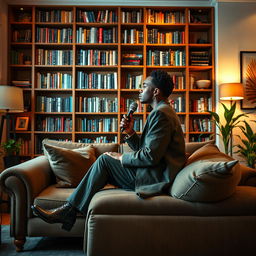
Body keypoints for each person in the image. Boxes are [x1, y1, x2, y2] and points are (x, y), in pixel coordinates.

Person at [31, 70, 186, 231]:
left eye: (145, 86)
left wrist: (121, 157)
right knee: (106, 160)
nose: (140, 90)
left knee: (105, 160)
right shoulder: (162, 111)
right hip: (153, 171)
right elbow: (147, 150)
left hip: (154, 177)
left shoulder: (161, 114)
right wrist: (130, 132)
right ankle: (69, 211)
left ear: (155, 91)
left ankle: (68, 211)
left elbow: (150, 157)